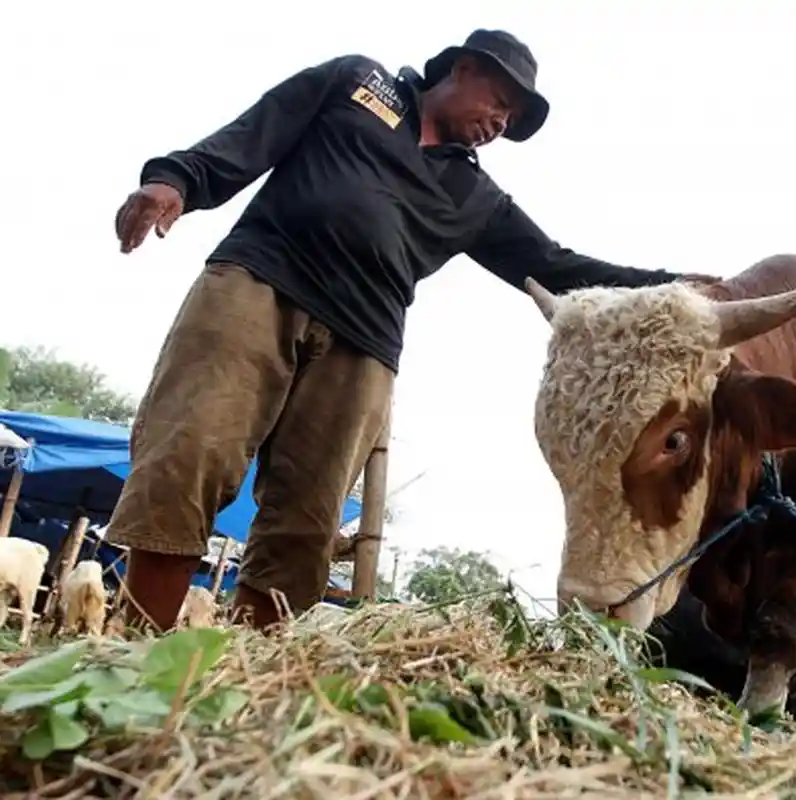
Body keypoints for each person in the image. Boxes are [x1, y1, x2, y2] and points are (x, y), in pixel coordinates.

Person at [109, 29, 719, 633]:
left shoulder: (474, 195)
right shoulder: (357, 83)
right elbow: (254, 132)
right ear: (465, 69)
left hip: (363, 345)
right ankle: (140, 648)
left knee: (310, 516)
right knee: (189, 450)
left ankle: (242, 672)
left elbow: (559, 265)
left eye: (512, 116)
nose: (501, 122)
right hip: (258, 285)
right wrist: (175, 180)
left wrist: (680, 286)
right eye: (500, 102)